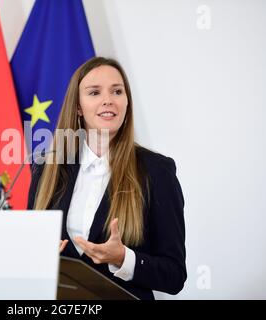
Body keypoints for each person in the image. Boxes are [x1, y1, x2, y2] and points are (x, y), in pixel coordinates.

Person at [27, 57, 186, 300]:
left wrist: (124, 259)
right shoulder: (46, 169)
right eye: (94, 92)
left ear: (126, 103)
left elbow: (174, 275)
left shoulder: (157, 171)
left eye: (117, 91)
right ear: (78, 107)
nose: (108, 100)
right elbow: (32, 253)